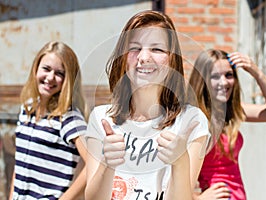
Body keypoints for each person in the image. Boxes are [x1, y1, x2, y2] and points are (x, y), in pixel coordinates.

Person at [84, 10, 210, 200]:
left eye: (157, 49)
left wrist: (180, 162)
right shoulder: (101, 119)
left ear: (172, 60)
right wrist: (107, 164)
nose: (144, 57)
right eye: (135, 48)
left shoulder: (191, 120)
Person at [189, 49, 266, 200]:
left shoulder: (231, 112)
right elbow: (174, 175)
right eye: (215, 76)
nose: (224, 82)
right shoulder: (196, 120)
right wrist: (197, 198)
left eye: (229, 75)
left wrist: (257, 73)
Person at [9, 41, 89, 200]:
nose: (50, 77)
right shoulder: (27, 109)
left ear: (68, 79)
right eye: (46, 69)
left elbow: (95, 163)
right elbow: (20, 165)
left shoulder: (68, 117)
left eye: (59, 73)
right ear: (36, 69)